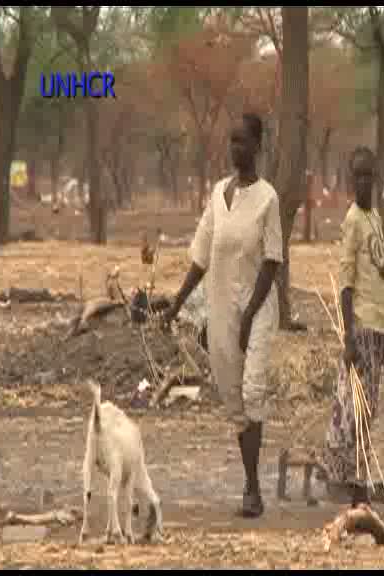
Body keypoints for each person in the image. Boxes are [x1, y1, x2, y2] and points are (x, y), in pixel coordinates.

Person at [163, 113, 282, 519]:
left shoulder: (268, 198)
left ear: (257, 146)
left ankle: (254, 489)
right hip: (222, 311)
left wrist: (250, 315)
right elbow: (200, 256)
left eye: (243, 141)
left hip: (259, 310)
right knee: (234, 401)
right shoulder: (217, 194)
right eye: (232, 141)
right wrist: (176, 304)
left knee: (252, 393)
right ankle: (250, 482)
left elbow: (271, 262)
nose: (236, 149)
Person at [322, 146, 384, 507]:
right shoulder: (352, 221)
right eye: (358, 176)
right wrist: (348, 335)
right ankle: (340, 475)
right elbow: (346, 283)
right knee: (352, 404)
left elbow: (380, 279)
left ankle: (357, 475)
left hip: (377, 328)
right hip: (360, 325)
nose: (365, 182)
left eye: (369, 175)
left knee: (370, 407)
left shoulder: (375, 219)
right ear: (352, 181)